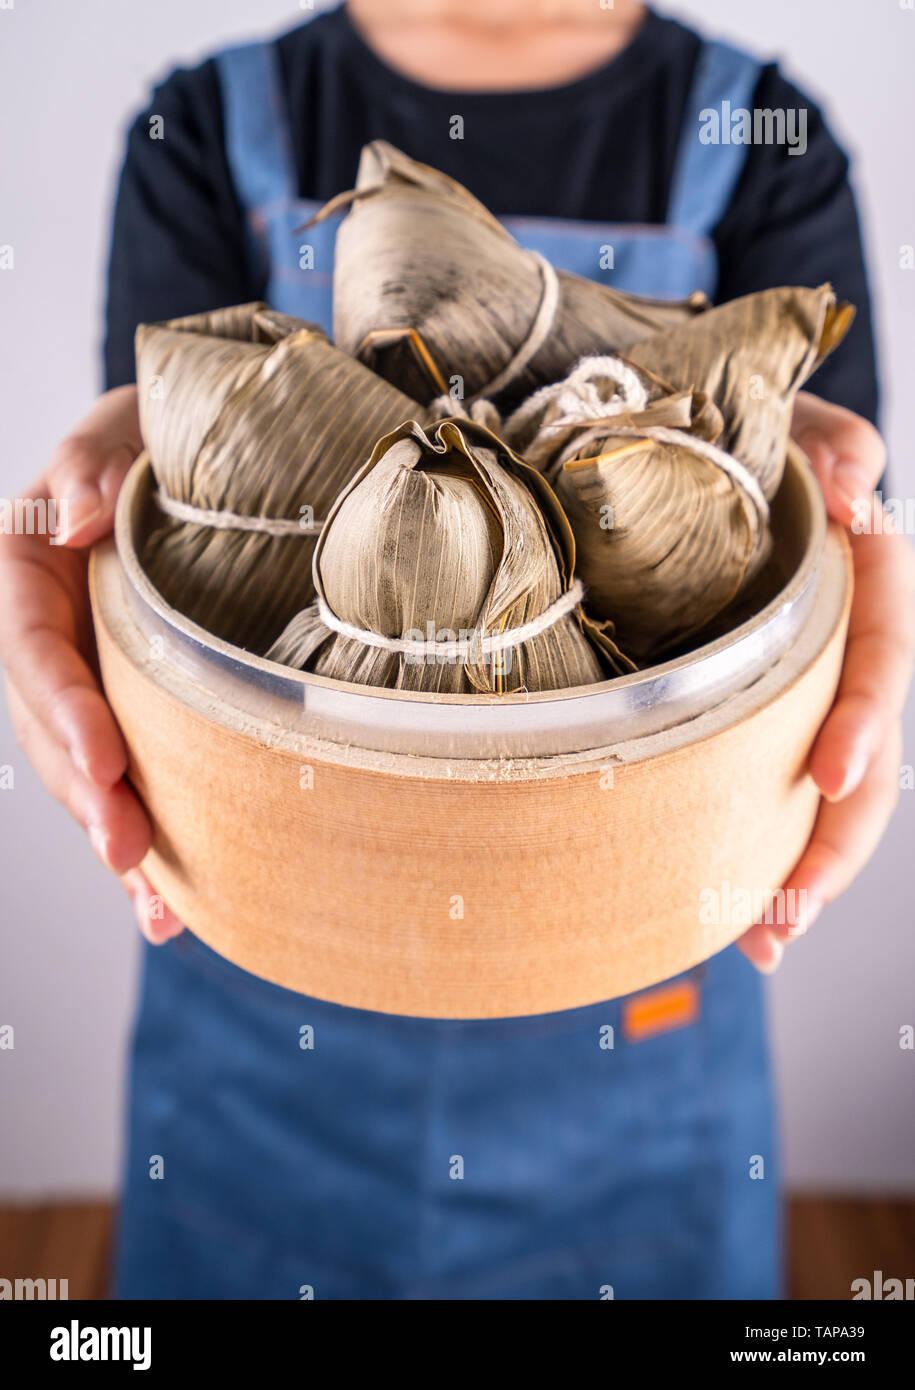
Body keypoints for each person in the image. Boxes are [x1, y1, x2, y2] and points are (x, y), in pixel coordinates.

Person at [1, 0, 913, 1299]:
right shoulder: (205, 129)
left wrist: (867, 609)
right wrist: (82, 528)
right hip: (266, 987)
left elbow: (820, 542)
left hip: (641, 997)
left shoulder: (763, 141)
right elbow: (155, 519)